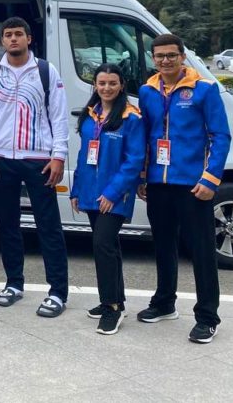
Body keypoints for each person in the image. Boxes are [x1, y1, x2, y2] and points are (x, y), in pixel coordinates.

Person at [138, 33, 231, 344]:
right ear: (153, 59)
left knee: (201, 251)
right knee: (163, 246)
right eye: (160, 56)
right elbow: (145, 137)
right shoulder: (147, 91)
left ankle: (207, 317)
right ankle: (164, 302)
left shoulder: (204, 89)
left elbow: (220, 136)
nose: (166, 60)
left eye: (171, 55)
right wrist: (142, 176)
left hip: (193, 185)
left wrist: (210, 179)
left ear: (182, 57)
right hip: (158, 183)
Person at [0, 17, 71, 317]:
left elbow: (59, 116)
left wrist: (58, 156)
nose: (13, 39)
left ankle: (58, 292)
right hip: (2, 160)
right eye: (8, 35)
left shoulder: (46, 71)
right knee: (7, 224)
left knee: (49, 226)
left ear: (29, 39)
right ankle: (14, 283)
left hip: (39, 160)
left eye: (18, 34)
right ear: (2, 40)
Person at [70, 64, 145, 336]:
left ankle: (113, 307)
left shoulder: (131, 117)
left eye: (112, 83)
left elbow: (134, 160)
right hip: (91, 192)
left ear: (121, 85)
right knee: (108, 246)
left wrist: (113, 193)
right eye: (102, 83)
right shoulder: (91, 114)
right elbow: (83, 156)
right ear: (95, 85)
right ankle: (113, 300)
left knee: (102, 244)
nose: (107, 88)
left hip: (114, 195)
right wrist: (76, 190)